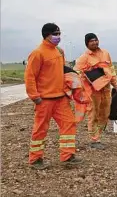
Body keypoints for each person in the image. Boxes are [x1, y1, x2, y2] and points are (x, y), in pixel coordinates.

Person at [24, 23, 83, 169]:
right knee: (40, 129)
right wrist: (34, 96)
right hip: (43, 99)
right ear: (47, 35)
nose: (58, 36)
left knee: (69, 124)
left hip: (60, 98)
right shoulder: (38, 53)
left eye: (59, 33)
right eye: (55, 34)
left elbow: (63, 71)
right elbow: (30, 76)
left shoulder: (58, 52)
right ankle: (35, 159)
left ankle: (67, 156)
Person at [74, 33, 117, 150]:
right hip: (92, 91)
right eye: (91, 41)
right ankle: (94, 139)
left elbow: (111, 70)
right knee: (93, 114)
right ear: (87, 43)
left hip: (105, 89)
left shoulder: (105, 53)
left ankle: (98, 135)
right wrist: (87, 75)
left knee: (105, 113)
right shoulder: (83, 58)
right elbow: (76, 73)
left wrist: (115, 84)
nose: (94, 43)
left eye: (96, 40)